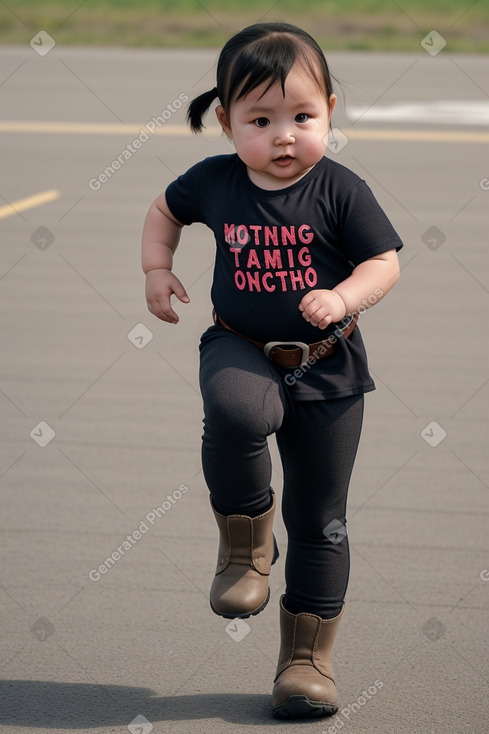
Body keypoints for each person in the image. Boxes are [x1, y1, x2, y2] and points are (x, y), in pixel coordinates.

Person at [141, 21, 402, 720]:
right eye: (261, 120)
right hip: (240, 344)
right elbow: (164, 210)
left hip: (328, 365)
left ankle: (305, 663)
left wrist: (343, 295)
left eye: (302, 117)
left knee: (321, 521)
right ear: (226, 121)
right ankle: (245, 542)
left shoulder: (341, 189)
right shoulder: (214, 181)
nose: (284, 135)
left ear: (328, 113)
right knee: (237, 411)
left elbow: (384, 262)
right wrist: (156, 268)